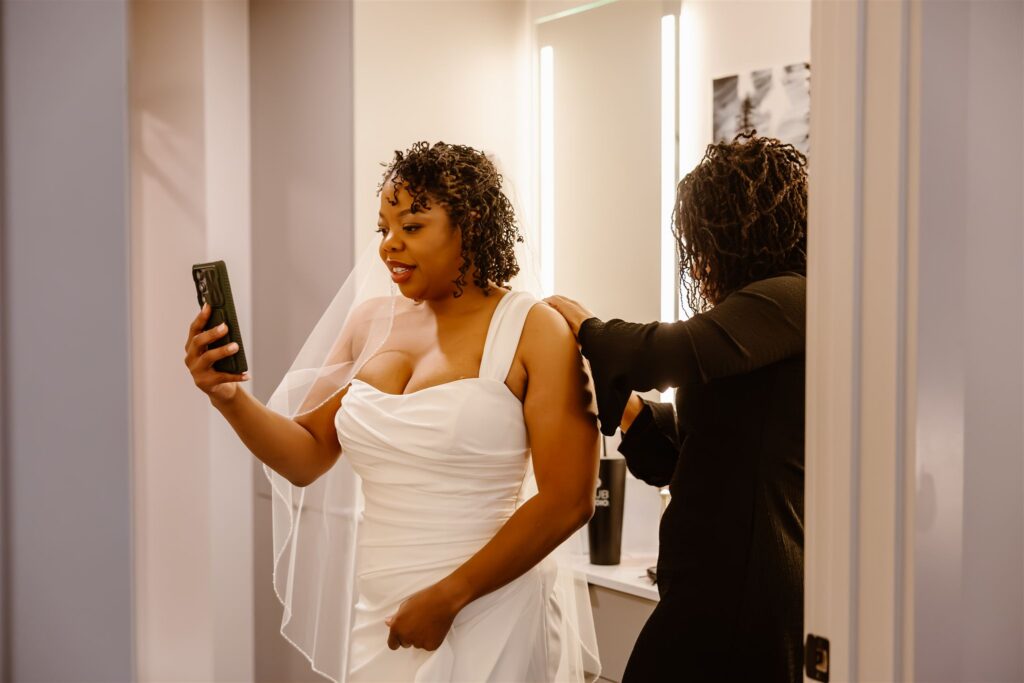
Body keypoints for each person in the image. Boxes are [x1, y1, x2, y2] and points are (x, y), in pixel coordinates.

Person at [185, 142, 600, 682]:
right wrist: (229, 397)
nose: (389, 246)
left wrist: (449, 597)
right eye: (383, 228)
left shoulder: (533, 328)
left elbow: (569, 499)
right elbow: (306, 456)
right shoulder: (370, 322)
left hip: (487, 610)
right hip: (380, 616)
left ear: (468, 225)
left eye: (411, 226)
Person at [546, 134, 807, 683]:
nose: (699, 261)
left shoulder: (791, 297)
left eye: (700, 242)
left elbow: (671, 351)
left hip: (745, 588)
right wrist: (634, 413)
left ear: (731, 235)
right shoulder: (761, 318)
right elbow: (696, 449)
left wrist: (588, 325)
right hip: (712, 580)